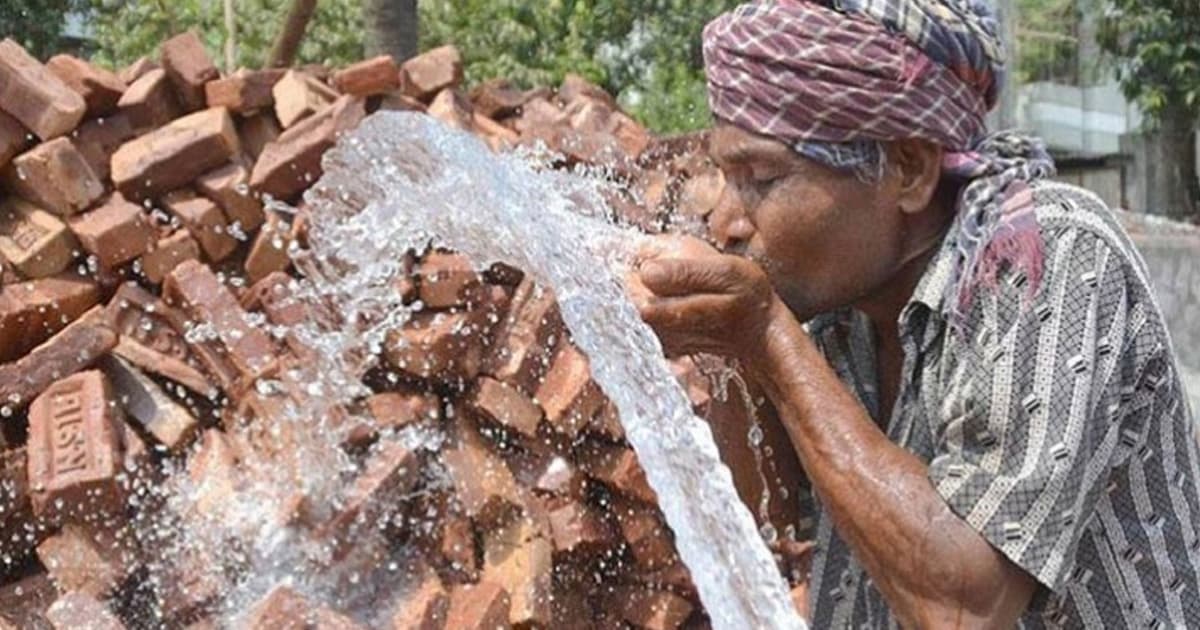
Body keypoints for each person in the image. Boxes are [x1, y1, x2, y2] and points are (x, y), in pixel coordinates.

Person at [630, 0, 1200, 627]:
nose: (727, 221)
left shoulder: (1045, 254)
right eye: (724, 174)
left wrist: (762, 334)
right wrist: (721, 342)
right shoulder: (833, 304)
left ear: (907, 169)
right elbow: (764, 507)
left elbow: (965, 606)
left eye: (761, 177)